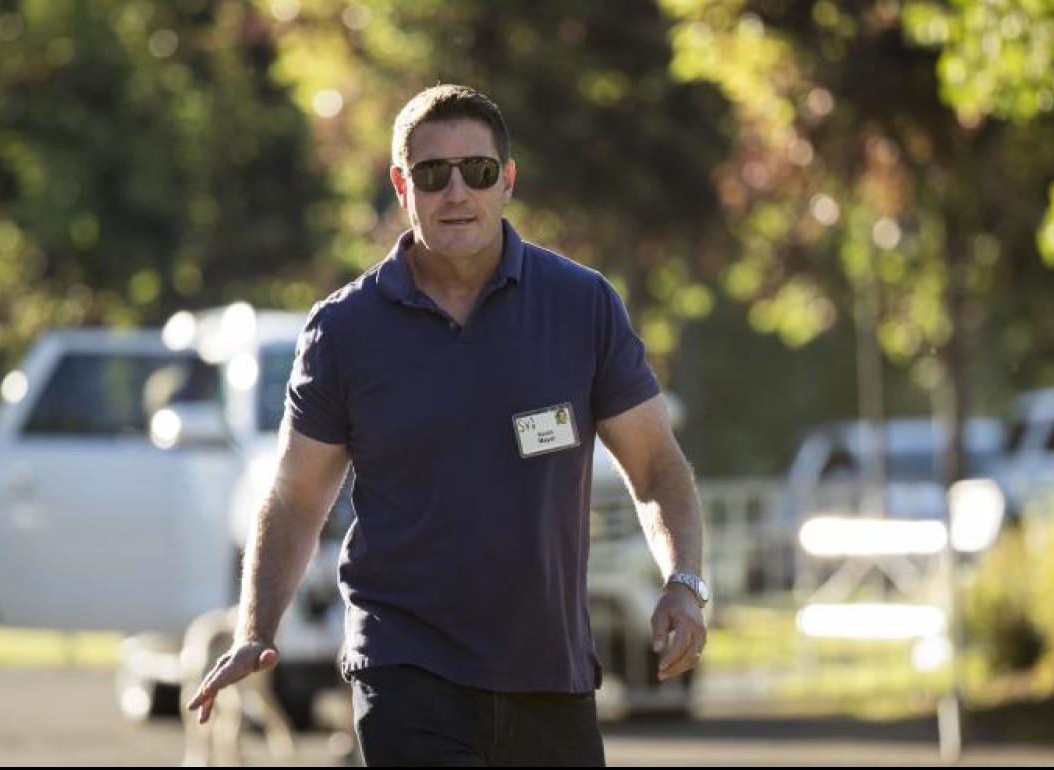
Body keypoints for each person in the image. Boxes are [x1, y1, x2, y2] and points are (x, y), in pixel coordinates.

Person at [186, 84, 709, 767]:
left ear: (507, 181)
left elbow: (657, 467)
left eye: (478, 171)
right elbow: (295, 497)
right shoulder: (345, 330)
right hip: (407, 668)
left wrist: (684, 582)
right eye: (433, 174)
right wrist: (255, 628)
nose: (456, 192)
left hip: (549, 671)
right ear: (401, 185)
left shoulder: (582, 306)